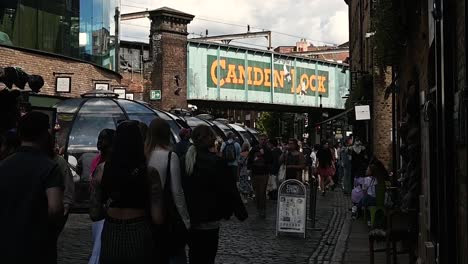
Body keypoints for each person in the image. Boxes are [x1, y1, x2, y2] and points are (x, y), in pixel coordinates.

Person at [0, 111, 64, 263]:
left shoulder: (4, 165)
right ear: (44, 134)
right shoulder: (49, 167)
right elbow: (55, 208)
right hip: (37, 245)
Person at [99, 121, 164, 264]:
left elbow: (94, 213)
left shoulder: (102, 170)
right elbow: (158, 217)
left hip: (111, 230)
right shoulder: (150, 173)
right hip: (139, 230)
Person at [184, 125, 247, 264]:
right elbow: (229, 189)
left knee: (194, 256)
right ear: (210, 139)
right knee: (208, 256)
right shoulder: (216, 162)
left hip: (191, 218)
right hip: (210, 219)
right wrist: (239, 211)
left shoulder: (186, 160)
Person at [146, 118, 190, 264]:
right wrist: (185, 220)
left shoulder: (143, 156)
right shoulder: (170, 156)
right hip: (165, 215)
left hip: (145, 215)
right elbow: (177, 191)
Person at [88, 129, 115, 264]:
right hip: (97, 215)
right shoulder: (96, 161)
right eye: (99, 138)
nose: (99, 142)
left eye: (103, 139)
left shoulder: (112, 163)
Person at [248, 134, 272, 218]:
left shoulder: (268, 150)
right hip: (255, 173)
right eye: (261, 139)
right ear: (259, 140)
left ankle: (262, 210)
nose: (262, 141)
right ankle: (259, 208)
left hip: (264, 173)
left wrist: (264, 154)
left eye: (264, 139)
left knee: (262, 192)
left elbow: (270, 161)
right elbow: (249, 159)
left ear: (266, 141)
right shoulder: (254, 149)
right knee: (256, 193)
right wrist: (249, 168)